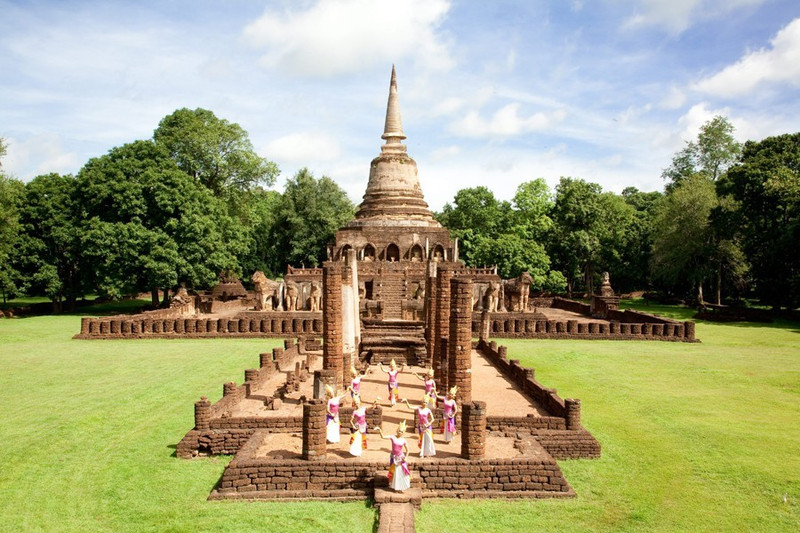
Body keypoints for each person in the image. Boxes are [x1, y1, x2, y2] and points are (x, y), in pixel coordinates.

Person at [376, 421, 411, 491]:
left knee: (401, 472)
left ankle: (401, 487)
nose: (400, 433)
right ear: (397, 430)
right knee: (394, 472)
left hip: (401, 458)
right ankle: (395, 486)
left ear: (403, 432)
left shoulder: (403, 440)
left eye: (401, 432)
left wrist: (406, 457)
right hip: (393, 457)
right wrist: (379, 430)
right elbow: (383, 436)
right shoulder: (392, 437)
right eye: (399, 431)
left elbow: (408, 450)